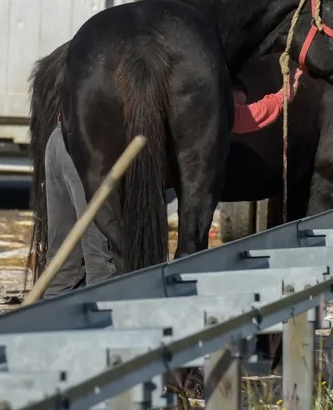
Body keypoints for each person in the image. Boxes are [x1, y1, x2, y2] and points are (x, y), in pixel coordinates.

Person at [39, 79, 298, 298]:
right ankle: (102, 348)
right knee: (105, 263)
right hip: (88, 152)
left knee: (65, 261)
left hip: (62, 139)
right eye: (236, 102)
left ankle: (48, 338)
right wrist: (285, 94)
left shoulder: (168, 83)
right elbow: (244, 118)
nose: (233, 112)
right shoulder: (201, 100)